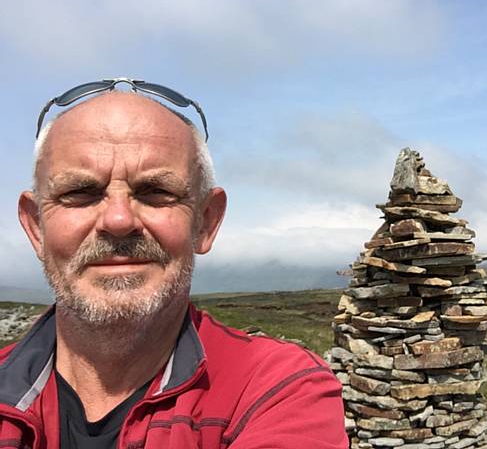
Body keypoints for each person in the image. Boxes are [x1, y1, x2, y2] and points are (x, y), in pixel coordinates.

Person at [0, 79, 348, 448]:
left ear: (205, 222)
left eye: (156, 193)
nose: (118, 220)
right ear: (36, 226)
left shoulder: (278, 388)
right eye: (80, 193)